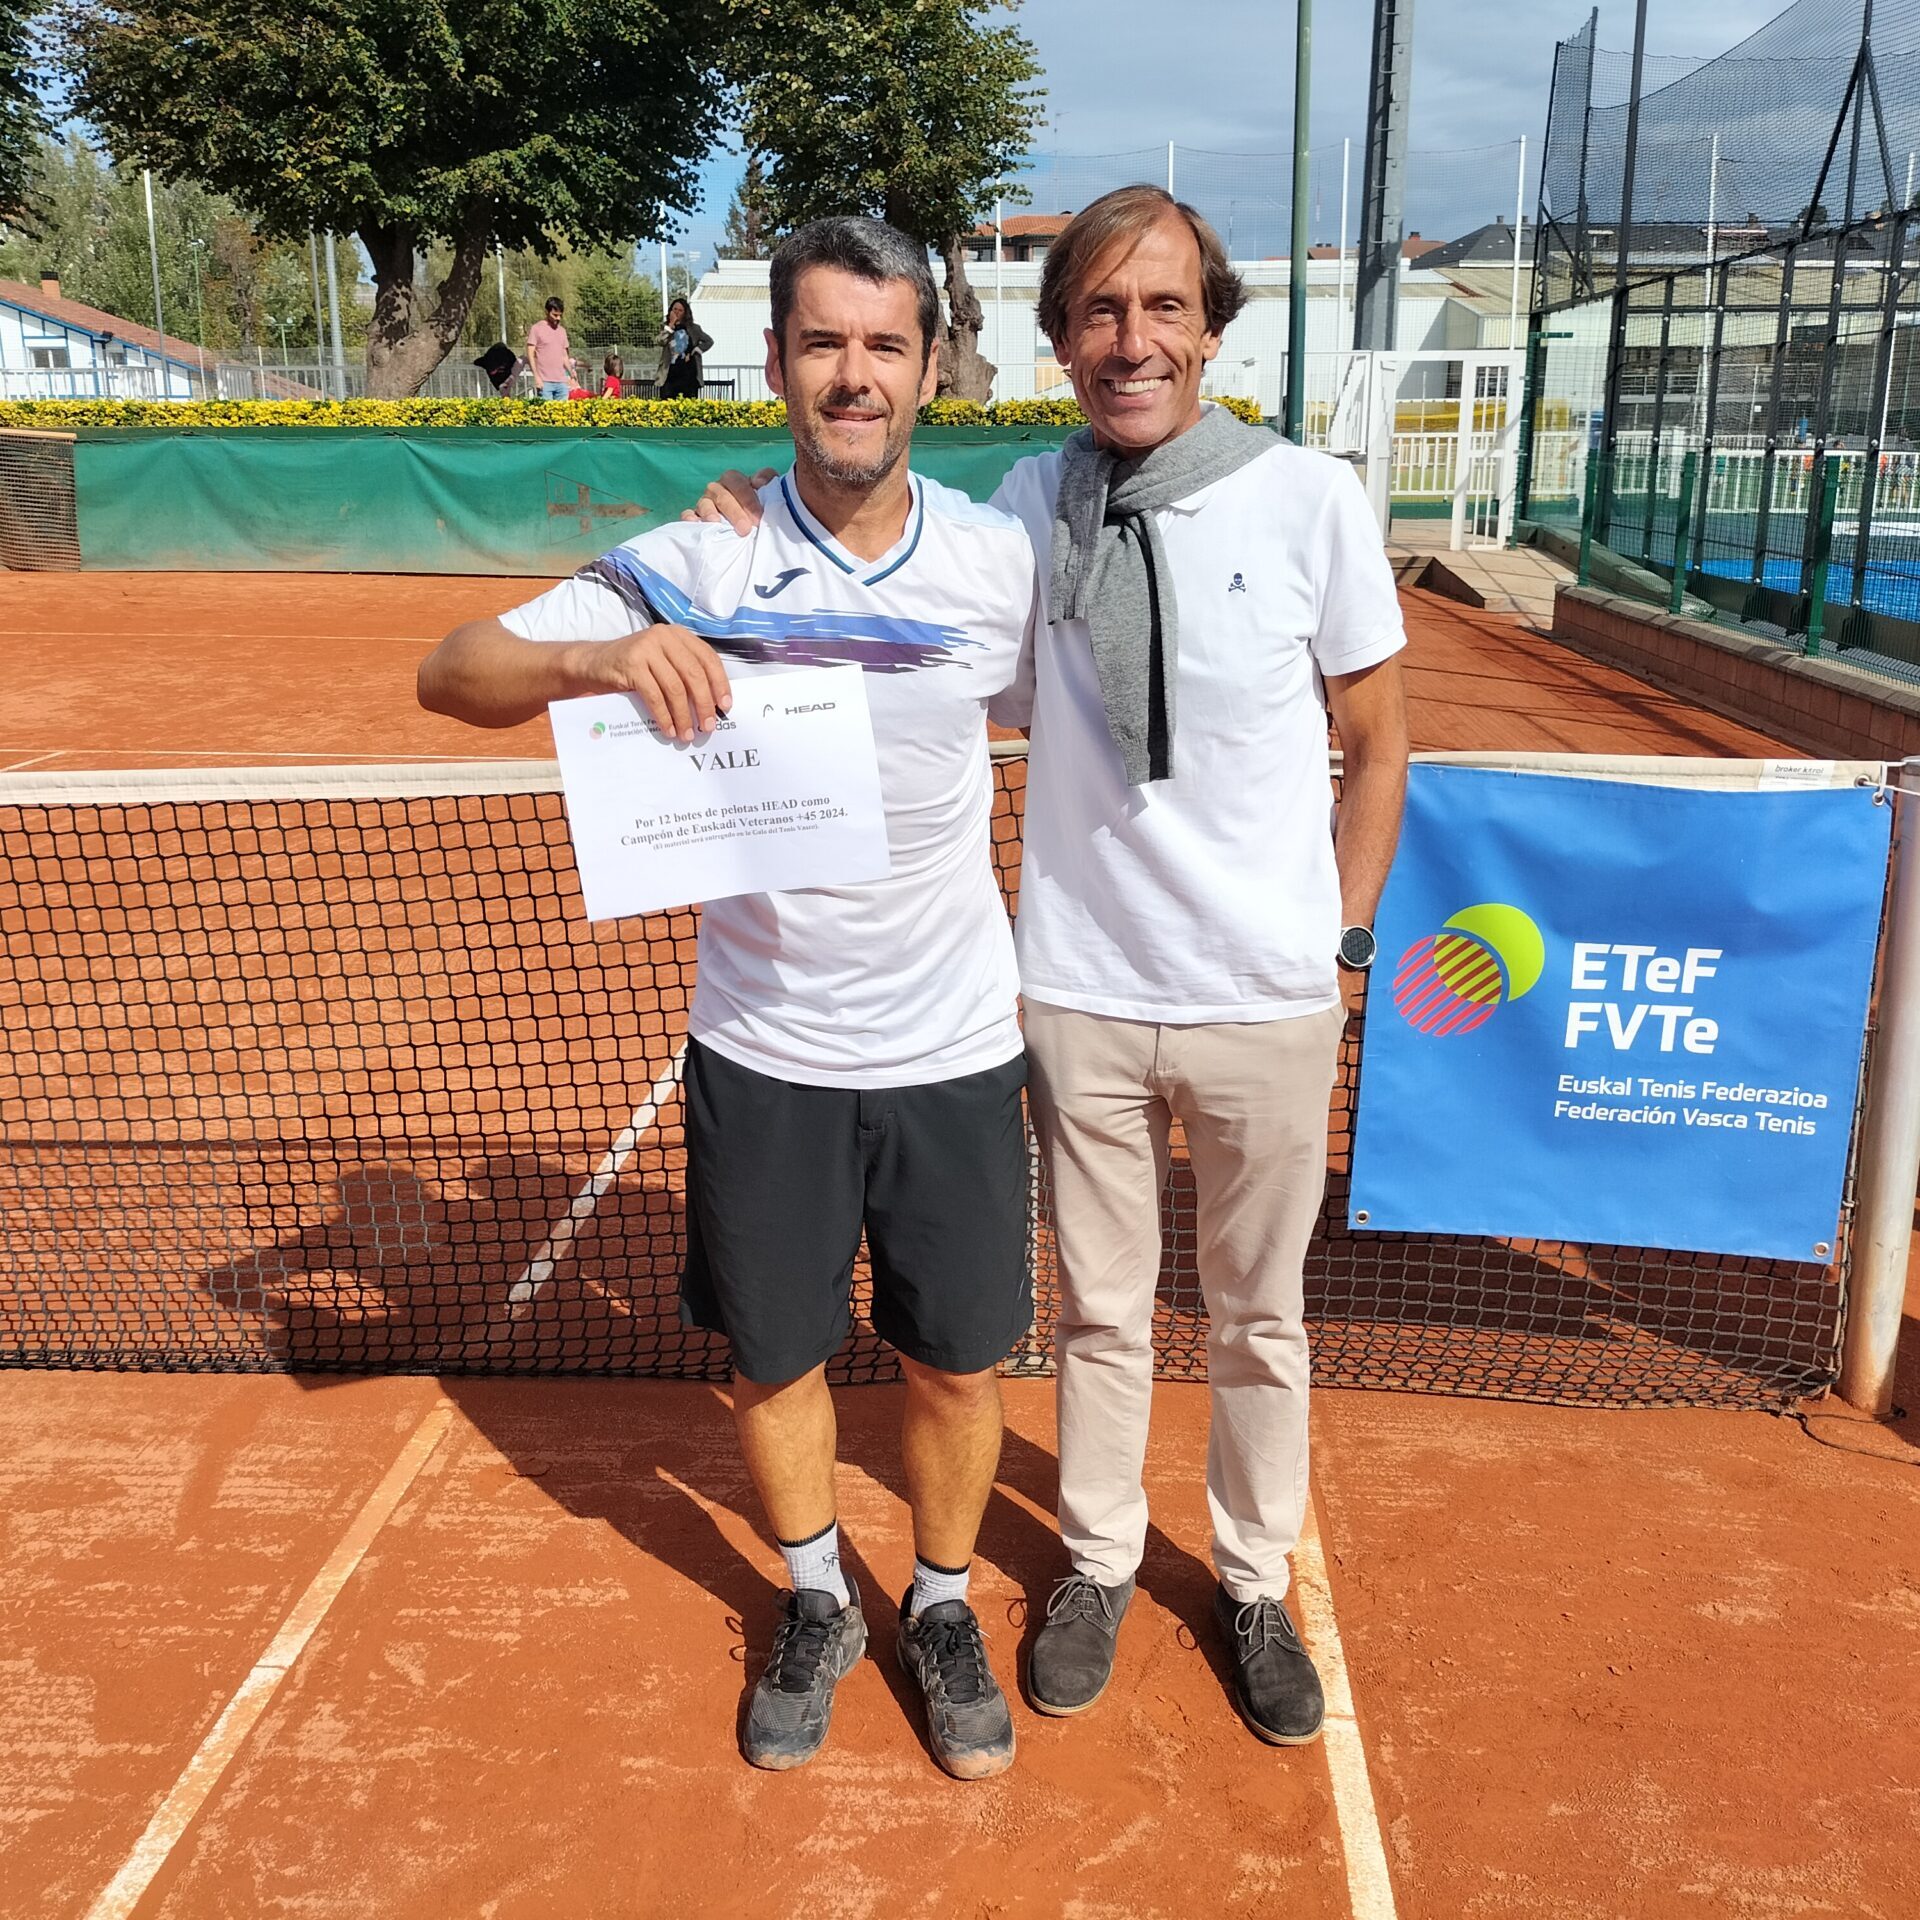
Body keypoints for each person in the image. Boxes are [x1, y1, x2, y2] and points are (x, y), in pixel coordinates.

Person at [686, 184, 1410, 1751]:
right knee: (1096, 1312)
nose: (1132, 340)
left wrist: (1340, 940)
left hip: (1267, 997)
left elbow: (1377, 740)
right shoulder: (1025, 507)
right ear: (1064, 341)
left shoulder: (1310, 502)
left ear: (1210, 330)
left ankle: (1252, 1580)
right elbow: (887, 557)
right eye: (1100, 311)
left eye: (1164, 308)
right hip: (1075, 990)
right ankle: (1095, 1562)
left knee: (1257, 1316)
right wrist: (756, 512)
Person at [417, 216, 1041, 1781]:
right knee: (773, 1361)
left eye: (884, 345)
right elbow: (453, 670)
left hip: (958, 1042)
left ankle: (942, 1603)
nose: (854, 375)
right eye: (824, 343)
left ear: (932, 367)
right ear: (776, 364)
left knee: (958, 1363)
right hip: (762, 1049)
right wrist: (606, 660)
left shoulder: (996, 563)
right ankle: (818, 1596)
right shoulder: (698, 561)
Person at [659, 295, 712, 400]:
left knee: (688, 401)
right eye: (675, 309)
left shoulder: (694, 328)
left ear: (685, 313)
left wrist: (698, 349)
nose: (677, 312)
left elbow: (709, 341)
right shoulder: (665, 327)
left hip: (689, 373)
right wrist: (670, 326)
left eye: (680, 310)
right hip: (670, 374)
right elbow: (660, 341)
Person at [525, 297, 577, 400]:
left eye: (560, 315)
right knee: (546, 410)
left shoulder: (562, 331)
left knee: (563, 410)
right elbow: (530, 354)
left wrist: (571, 374)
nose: (558, 318)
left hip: (562, 382)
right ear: (546, 312)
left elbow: (564, 356)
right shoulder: (536, 329)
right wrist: (536, 377)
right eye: (555, 315)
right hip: (544, 382)